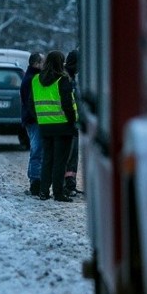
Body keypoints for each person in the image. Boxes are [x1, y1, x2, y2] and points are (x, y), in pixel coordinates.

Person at [29, 50, 78, 202]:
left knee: (47, 159)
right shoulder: (62, 80)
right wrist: (72, 123)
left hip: (45, 126)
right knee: (60, 161)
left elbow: (31, 104)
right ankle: (58, 193)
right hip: (63, 126)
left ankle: (44, 191)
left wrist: (40, 119)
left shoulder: (36, 79)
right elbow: (67, 105)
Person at [20, 52, 45, 195]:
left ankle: (34, 179)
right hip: (33, 120)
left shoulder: (29, 77)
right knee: (37, 150)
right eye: (42, 62)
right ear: (36, 64)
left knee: (36, 150)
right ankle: (35, 182)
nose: (44, 65)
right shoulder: (32, 79)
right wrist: (38, 117)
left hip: (30, 119)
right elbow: (31, 103)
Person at [64, 50, 80, 196]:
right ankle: (65, 185)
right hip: (65, 121)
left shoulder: (73, 77)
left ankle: (70, 184)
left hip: (74, 121)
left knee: (73, 155)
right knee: (67, 155)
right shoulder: (65, 77)